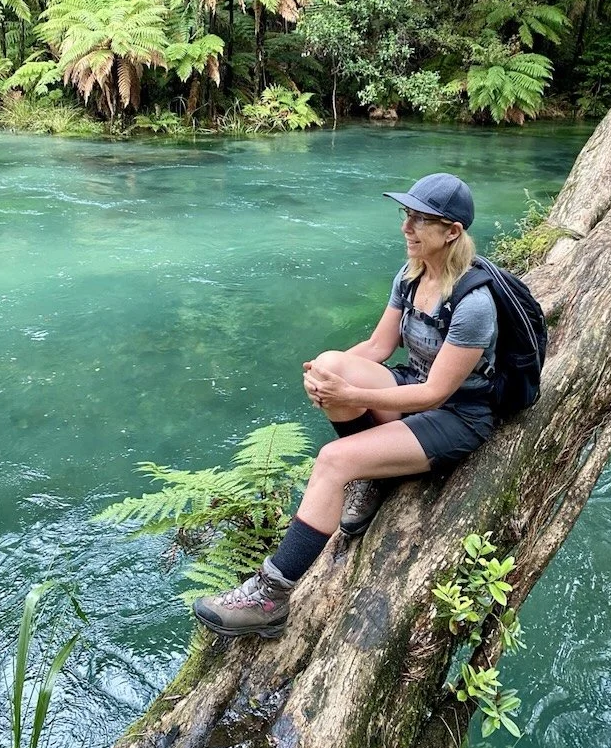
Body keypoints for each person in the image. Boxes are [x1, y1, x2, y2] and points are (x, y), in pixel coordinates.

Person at [193, 172, 498, 639]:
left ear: (451, 232)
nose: (406, 227)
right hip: (410, 391)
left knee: (333, 460)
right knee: (336, 364)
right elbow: (379, 346)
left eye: (419, 219)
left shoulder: (474, 304)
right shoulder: (411, 276)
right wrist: (327, 375)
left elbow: (435, 393)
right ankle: (374, 477)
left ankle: (271, 597)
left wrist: (352, 396)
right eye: (406, 214)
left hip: (457, 416)